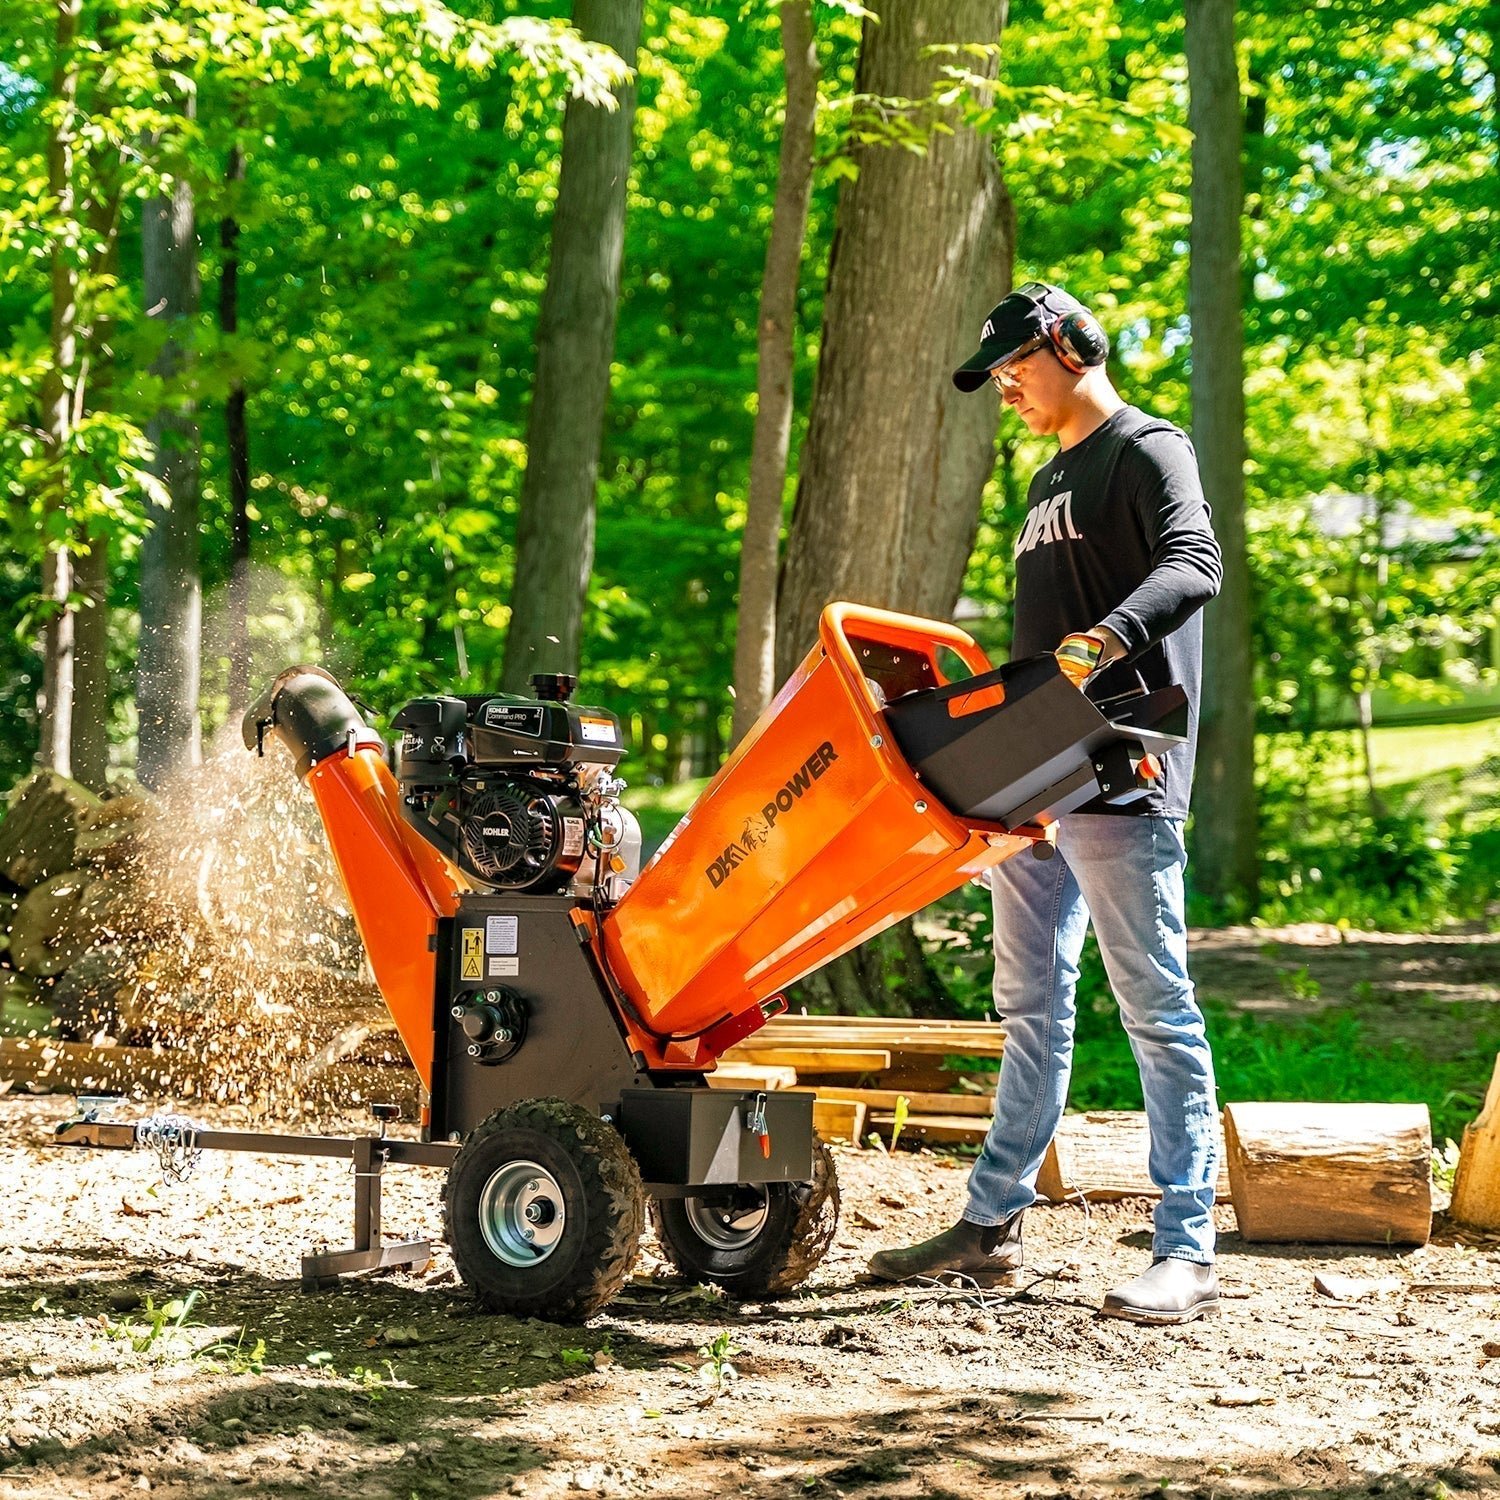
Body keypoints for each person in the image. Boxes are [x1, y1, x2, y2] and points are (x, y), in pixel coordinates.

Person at [868, 282, 1224, 1324]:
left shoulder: (1147, 448)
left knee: (1155, 1007)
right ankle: (991, 1228)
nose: (1007, 388)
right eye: (997, 377)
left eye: (1016, 366)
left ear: (1072, 346)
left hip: (1122, 769)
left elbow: (1195, 563)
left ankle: (1187, 1249)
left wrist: (1105, 640)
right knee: (1028, 1007)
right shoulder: (1045, 481)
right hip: (1037, 785)